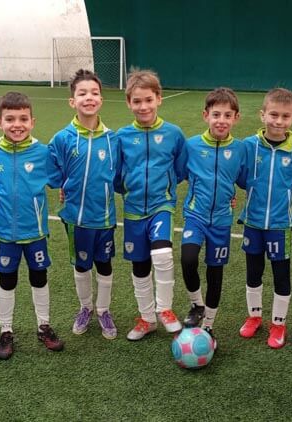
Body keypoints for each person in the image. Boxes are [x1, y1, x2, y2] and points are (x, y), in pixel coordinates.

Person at [0, 92, 64, 359]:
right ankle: (6, 331)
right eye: (10, 119)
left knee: (39, 277)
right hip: (6, 232)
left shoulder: (43, 153)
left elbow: (58, 178)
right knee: (7, 280)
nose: (17, 125)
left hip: (35, 231)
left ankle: (44, 326)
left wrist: (65, 188)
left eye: (23, 119)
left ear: (32, 122)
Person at [48, 69, 120, 339]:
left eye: (94, 93)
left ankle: (103, 310)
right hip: (76, 218)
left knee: (104, 263)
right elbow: (52, 170)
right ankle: (85, 307)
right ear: (72, 101)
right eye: (82, 93)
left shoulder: (113, 139)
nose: (89, 97)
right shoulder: (62, 138)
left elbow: (120, 175)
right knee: (81, 265)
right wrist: (64, 186)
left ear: (101, 99)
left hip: (105, 217)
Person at [116, 70, 187, 340]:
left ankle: (165, 309)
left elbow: (181, 169)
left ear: (159, 98)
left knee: (163, 254)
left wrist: (165, 187)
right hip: (133, 209)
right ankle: (147, 319)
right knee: (140, 265)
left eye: (148, 99)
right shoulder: (122, 137)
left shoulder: (173, 134)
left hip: (161, 205)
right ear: (128, 103)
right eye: (137, 101)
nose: (143, 106)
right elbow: (116, 174)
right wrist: (128, 188)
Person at [237, 88, 292, 349]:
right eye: (274, 115)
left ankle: (278, 323)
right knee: (253, 271)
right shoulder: (249, 145)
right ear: (262, 115)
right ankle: (254, 316)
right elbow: (240, 176)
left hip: (280, 224)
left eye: (285, 116)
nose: (279, 121)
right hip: (253, 221)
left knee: (281, 274)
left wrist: (285, 192)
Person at [179, 87, 247, 348]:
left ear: (236, 118)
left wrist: (230, 194)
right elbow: (179, 173)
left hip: (221, 220)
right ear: (205, 115)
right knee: (188, 259)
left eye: (227, 115)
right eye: (216, 114)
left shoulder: (240, 149)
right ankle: (197, 304)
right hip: (195, 215)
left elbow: (242, 179)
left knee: (215, 273)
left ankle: (208, 325)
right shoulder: (192, 145)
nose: (221, 120)